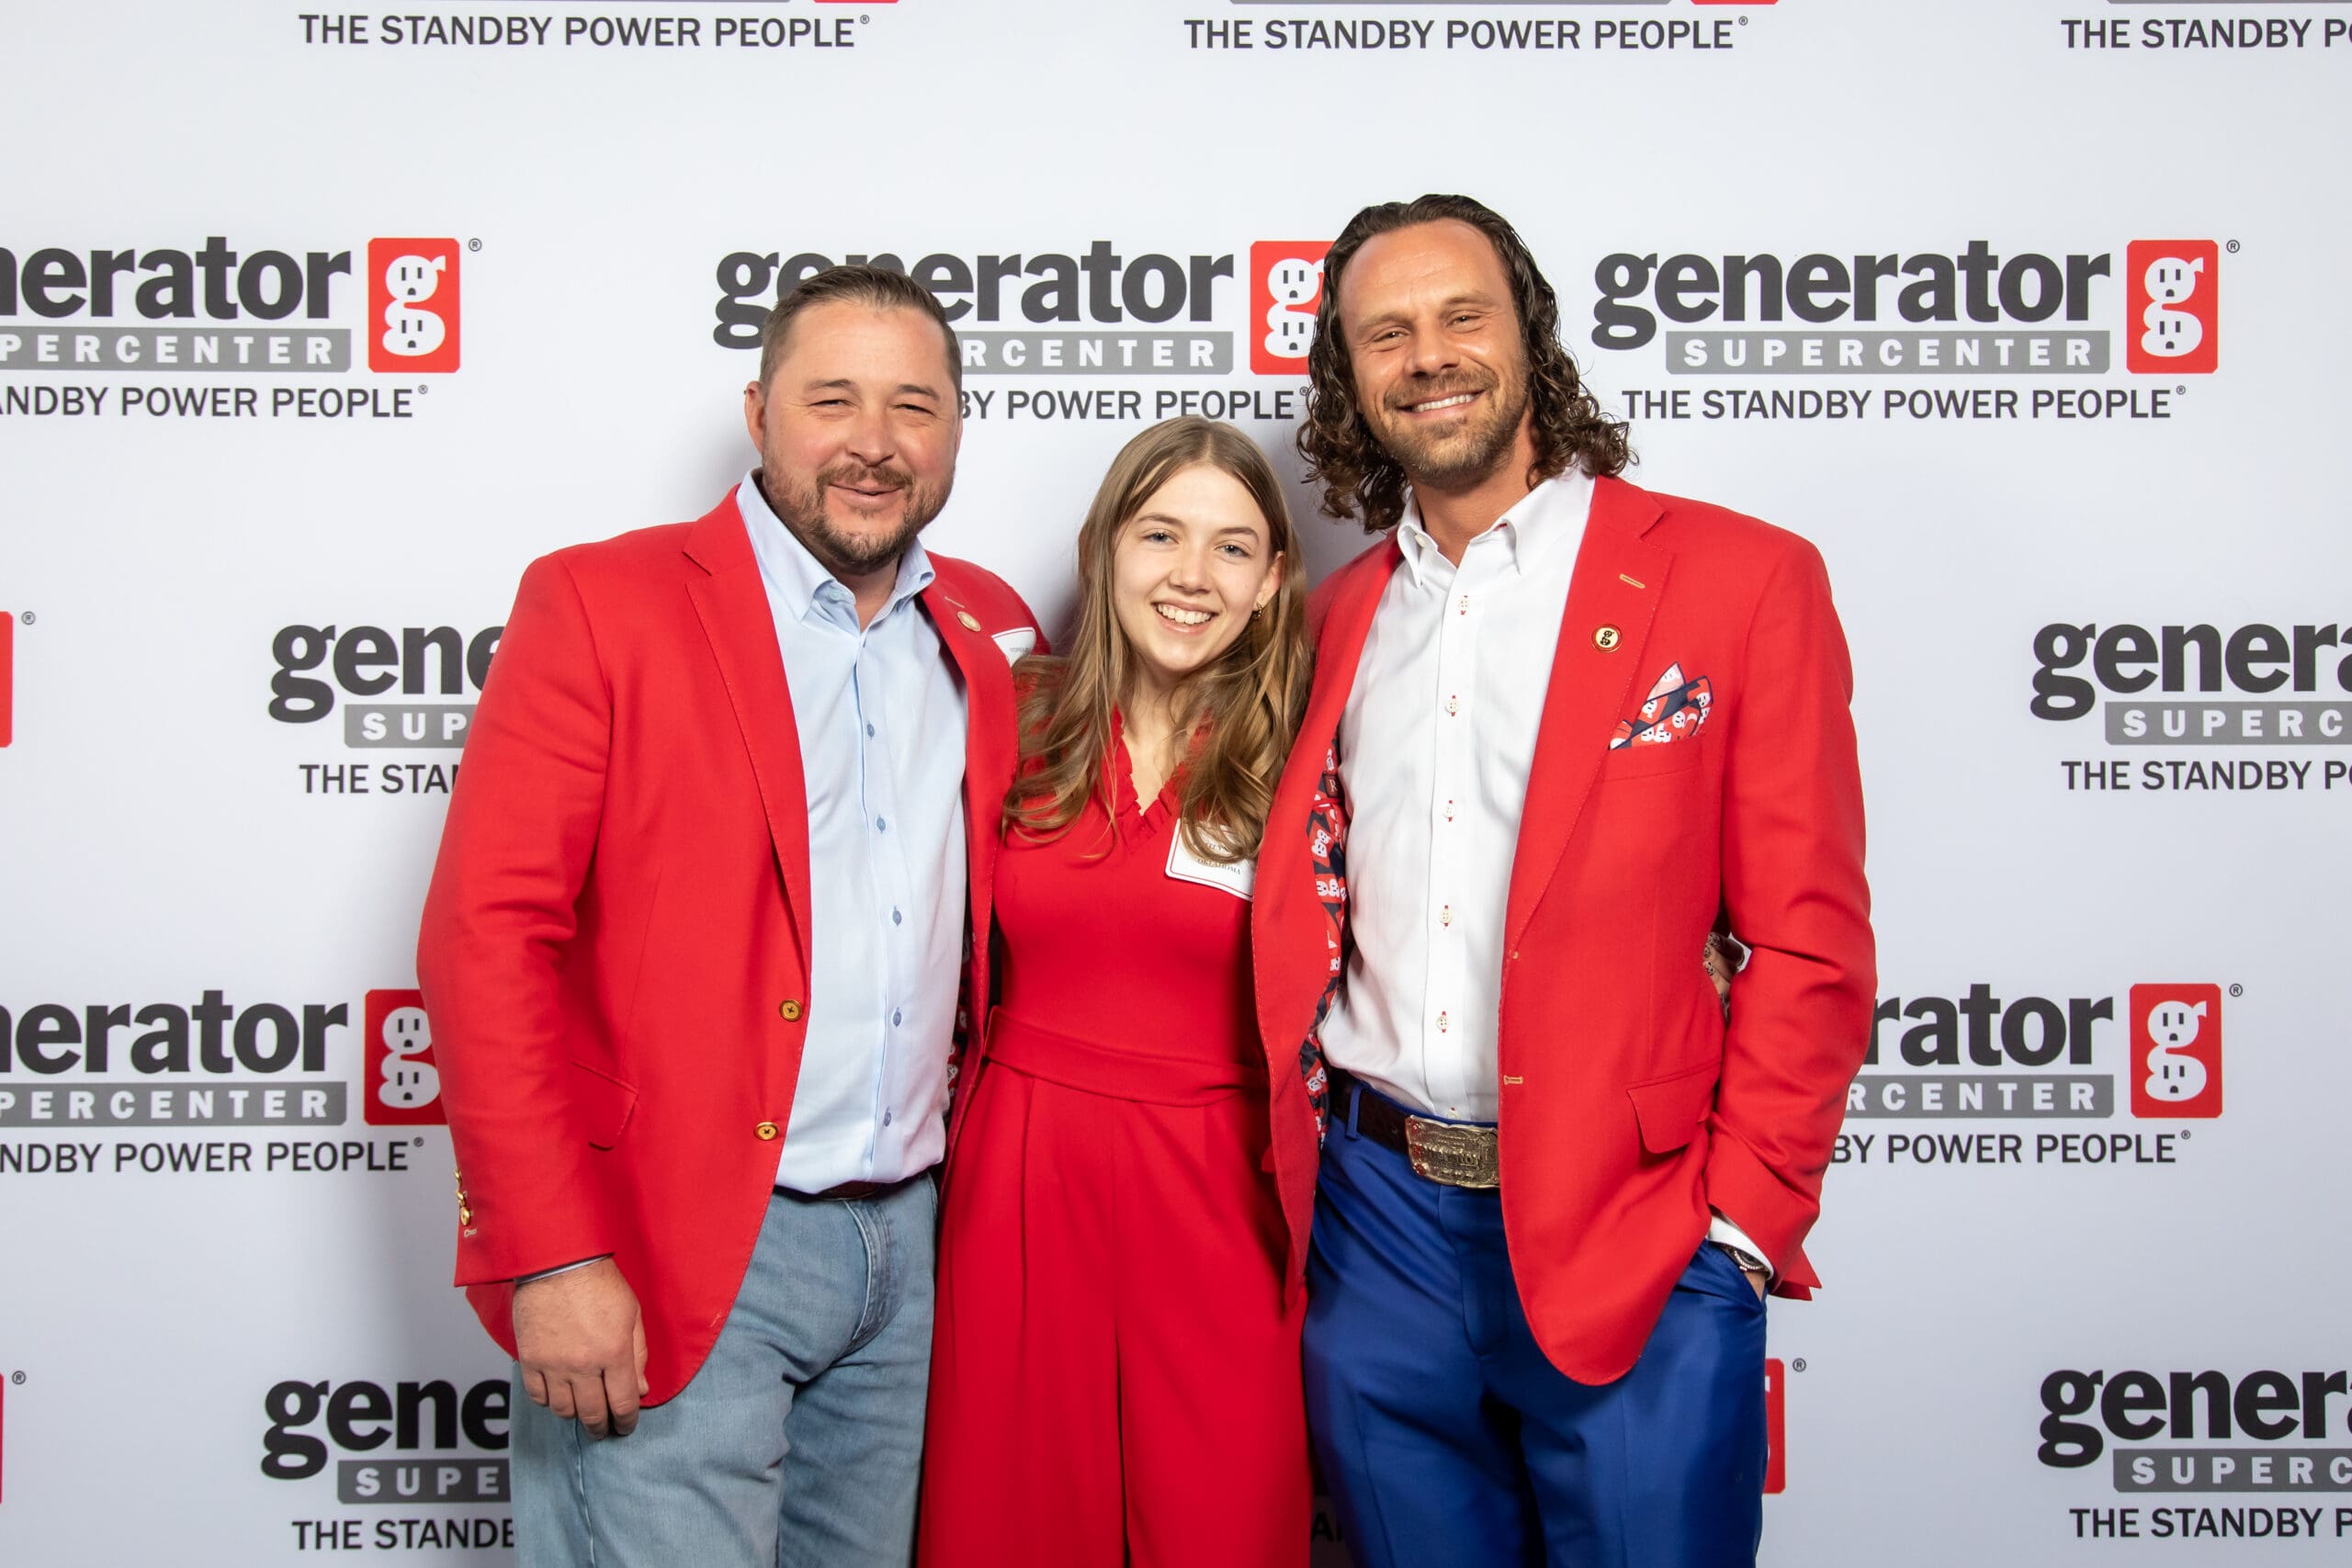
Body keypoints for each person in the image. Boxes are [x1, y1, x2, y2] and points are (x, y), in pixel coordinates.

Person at [1251, 195, 1876, 1566]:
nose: (1429, 355)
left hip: (1637, 1230)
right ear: (1347, 377)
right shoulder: (1332, 618)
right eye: (1385, 333)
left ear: (1528, 333)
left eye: (1461, 316)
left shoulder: (1739, 579)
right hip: (1378, 1229)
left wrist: (1739, 1228)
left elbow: (1810, 941)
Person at [415, 265, 1042, 1568]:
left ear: (958, 428)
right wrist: (551, 1251)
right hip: (675, 1238)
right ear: (759, 413)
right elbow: (487, 940)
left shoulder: (987, 629)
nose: (874, 441)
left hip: (909, 1251)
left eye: (914, 405)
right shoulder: (602, 601)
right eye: (832, 400)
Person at [917, 418, 1319, 1567]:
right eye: (1159, 535)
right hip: (1019, 1176)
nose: (1191, 575)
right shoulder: (1009, 718)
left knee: (1222, 1526)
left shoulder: (1308, 753)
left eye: (1231, 548)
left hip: (1219, 1193)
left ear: (1271, 580)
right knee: (1009, 1524)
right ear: (1101, 550)